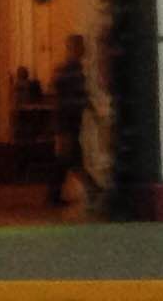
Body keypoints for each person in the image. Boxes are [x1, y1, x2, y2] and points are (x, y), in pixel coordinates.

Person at [48, 34, 101, 210]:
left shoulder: (67, 70)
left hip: (68, 120)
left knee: (70, 158)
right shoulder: (72, 70)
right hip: (68, 121)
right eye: (81, 47)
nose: (84, 50)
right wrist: (91, 108)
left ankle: (89, 189)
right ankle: (91, 189)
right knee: (67, 158)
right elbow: (77, 95)